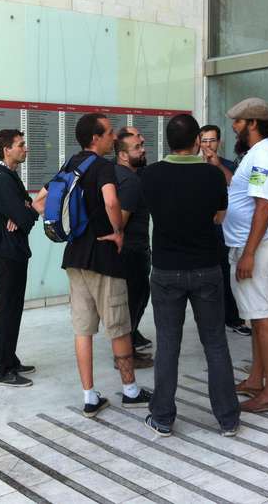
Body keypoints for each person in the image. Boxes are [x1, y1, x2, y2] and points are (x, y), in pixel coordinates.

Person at [33, 113, 151, 417]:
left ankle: (89, 396)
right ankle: (130, 390)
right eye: (110, 132)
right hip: (103, 256)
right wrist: (118, 231)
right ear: (96, 138)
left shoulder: (70, 164)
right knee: (119, 327)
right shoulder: (103, 167)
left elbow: (40, 202)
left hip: (73, 257)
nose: (114, 137)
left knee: (83, 329)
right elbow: (112, 202)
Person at [141, 114, 239, 437]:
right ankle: (227, 419)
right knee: (215, 344)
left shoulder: (151, 175)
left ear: (167, 141)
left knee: (168, 344)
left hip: (166, 270)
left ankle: (163, 417)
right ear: (197, 140)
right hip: (206, 267)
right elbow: (220, 216)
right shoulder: (212, 176)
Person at [223, 98, 268, 413]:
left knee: (262, 318)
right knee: (258, 314)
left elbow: (264, 206)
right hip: (257, 244)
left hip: (258, 248)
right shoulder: (260, 153)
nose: (233, 127)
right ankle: (256, 379)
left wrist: (248, 253)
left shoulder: (262, 154)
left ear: (252, 123)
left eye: (238, 121)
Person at [0, 129, 39, 387]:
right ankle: (2, 369)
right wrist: (25, 213)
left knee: (13, 308)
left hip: (14, 251)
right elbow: (28, 218)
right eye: (20, 145)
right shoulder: (0, 180)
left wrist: (23, 211)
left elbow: (26, 208)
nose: (25, 149)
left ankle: (10, 358)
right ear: (7, 149)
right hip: (7, 254)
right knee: (8, 310)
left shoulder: (9, 177)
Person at [199, 124, 252, 337]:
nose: (208, 145)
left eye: (212, 140)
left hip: (222, 230)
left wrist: (217, 164)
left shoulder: (228, 165)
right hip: (198, 230)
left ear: (219, 143)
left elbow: (237, 190)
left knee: (223, 276)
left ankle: (232, 317)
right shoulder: (192, 166)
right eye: (204, 141)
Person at [114, 129, 153, 369]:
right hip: (131, 252)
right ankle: (124, 356)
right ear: (124, 155)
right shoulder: (129, 181)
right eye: (137, 147)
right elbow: (120, 222)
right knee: (133, 301)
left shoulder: (118, 173)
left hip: (132, 251)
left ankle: (128, 347)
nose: (143, 149)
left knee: (136, 299)